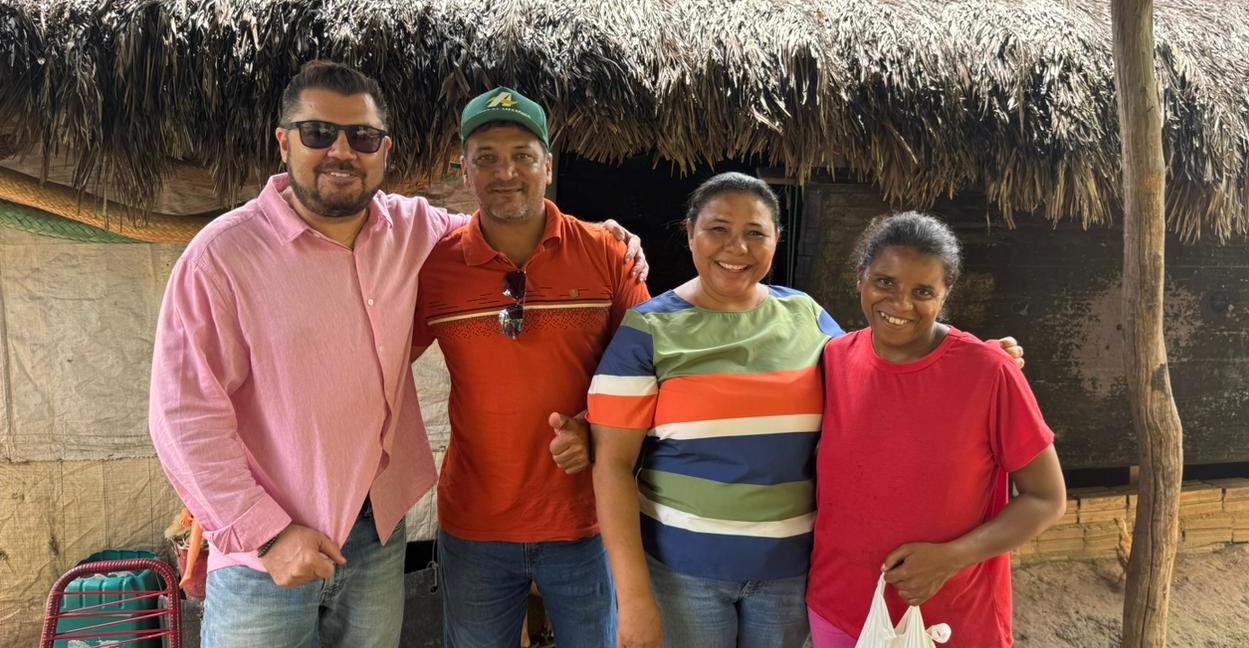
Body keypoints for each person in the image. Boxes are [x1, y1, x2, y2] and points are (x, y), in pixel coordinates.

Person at [149, 63, 642, 647]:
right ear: (283, 142)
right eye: (318, 133)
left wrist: (605, 238)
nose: (341, 151)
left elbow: (507, 225)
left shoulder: (415, 231)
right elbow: (182, 416)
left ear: (384, 150)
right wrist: (265, 534)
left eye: (361, 137)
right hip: (272, 548)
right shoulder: (222, 257)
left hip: (378, 531)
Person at [411, 86, 651, 648]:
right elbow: (376, 361)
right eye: (487, 158)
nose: (506, 172)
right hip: (475, 524)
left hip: (586, 521)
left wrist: (596, 430)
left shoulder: (607, 254)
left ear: (548, 165)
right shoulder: (435, 267)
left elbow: (649, 372)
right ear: (464, 170)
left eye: (522, 155)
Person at [589, 172, 842, 648]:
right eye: (718, 229)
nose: (736, 247)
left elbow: (874, 389)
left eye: (755, 233)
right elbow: (612, 466)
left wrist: (962, 364)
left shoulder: (807, 316)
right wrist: (635, 598)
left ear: (777, 240)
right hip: (682, 577)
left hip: (791, 574)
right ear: (690, 233)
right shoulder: (648, 330)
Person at [806, 212, 1066, 648]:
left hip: (950, 619)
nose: (900, 304)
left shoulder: (988, 373)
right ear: (860, 278)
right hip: (839, 608)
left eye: (923, 292)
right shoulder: (833, 359)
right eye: (884, 282)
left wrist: (951, 558)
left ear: (945, 295)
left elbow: (1047, 498)